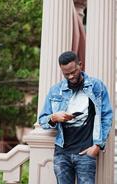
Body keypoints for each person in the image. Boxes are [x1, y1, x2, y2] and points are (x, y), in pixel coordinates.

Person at [39, 51, 113, 184]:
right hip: (62, 152)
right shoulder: (56, 91)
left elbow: (106, 117)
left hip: (85, 152)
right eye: (66, 74)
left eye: (73, 72)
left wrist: (98, 145)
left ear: (80, 65)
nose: (71, 76)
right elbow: (42, 119)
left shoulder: (97, 87)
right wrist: (54, 118)